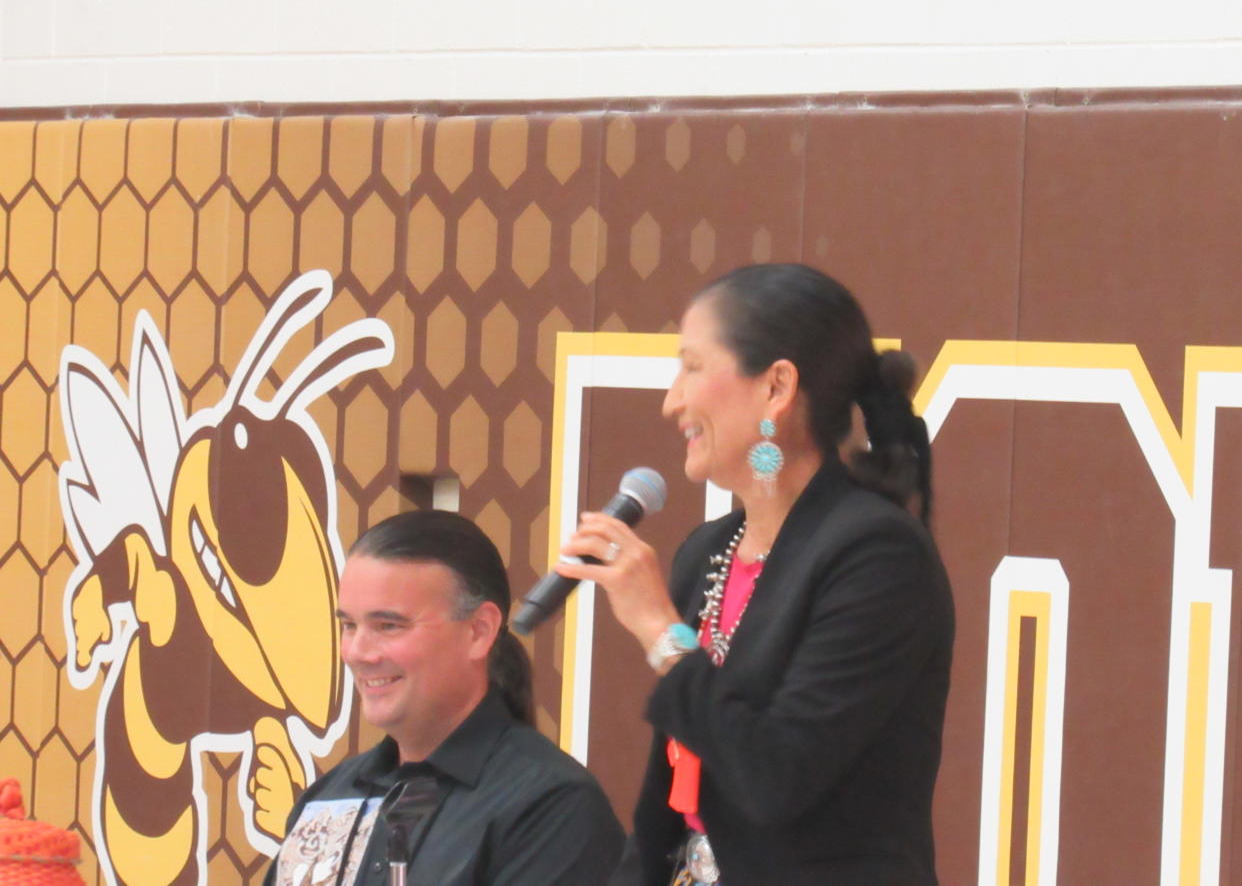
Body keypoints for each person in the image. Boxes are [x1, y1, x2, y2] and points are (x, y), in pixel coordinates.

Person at [557, 263, 955, 885]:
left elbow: (776, 776)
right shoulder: (708, 551)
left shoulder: (876, 556)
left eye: (692, 367)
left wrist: (663, 632)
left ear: (776, 387)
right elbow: (669, 805)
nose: (672, 401)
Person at [265, 510, 624, 886]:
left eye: (388, 626)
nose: (357, 652)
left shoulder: (550, 806)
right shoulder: (331, 797)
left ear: (478, 630)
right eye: (349, 625)